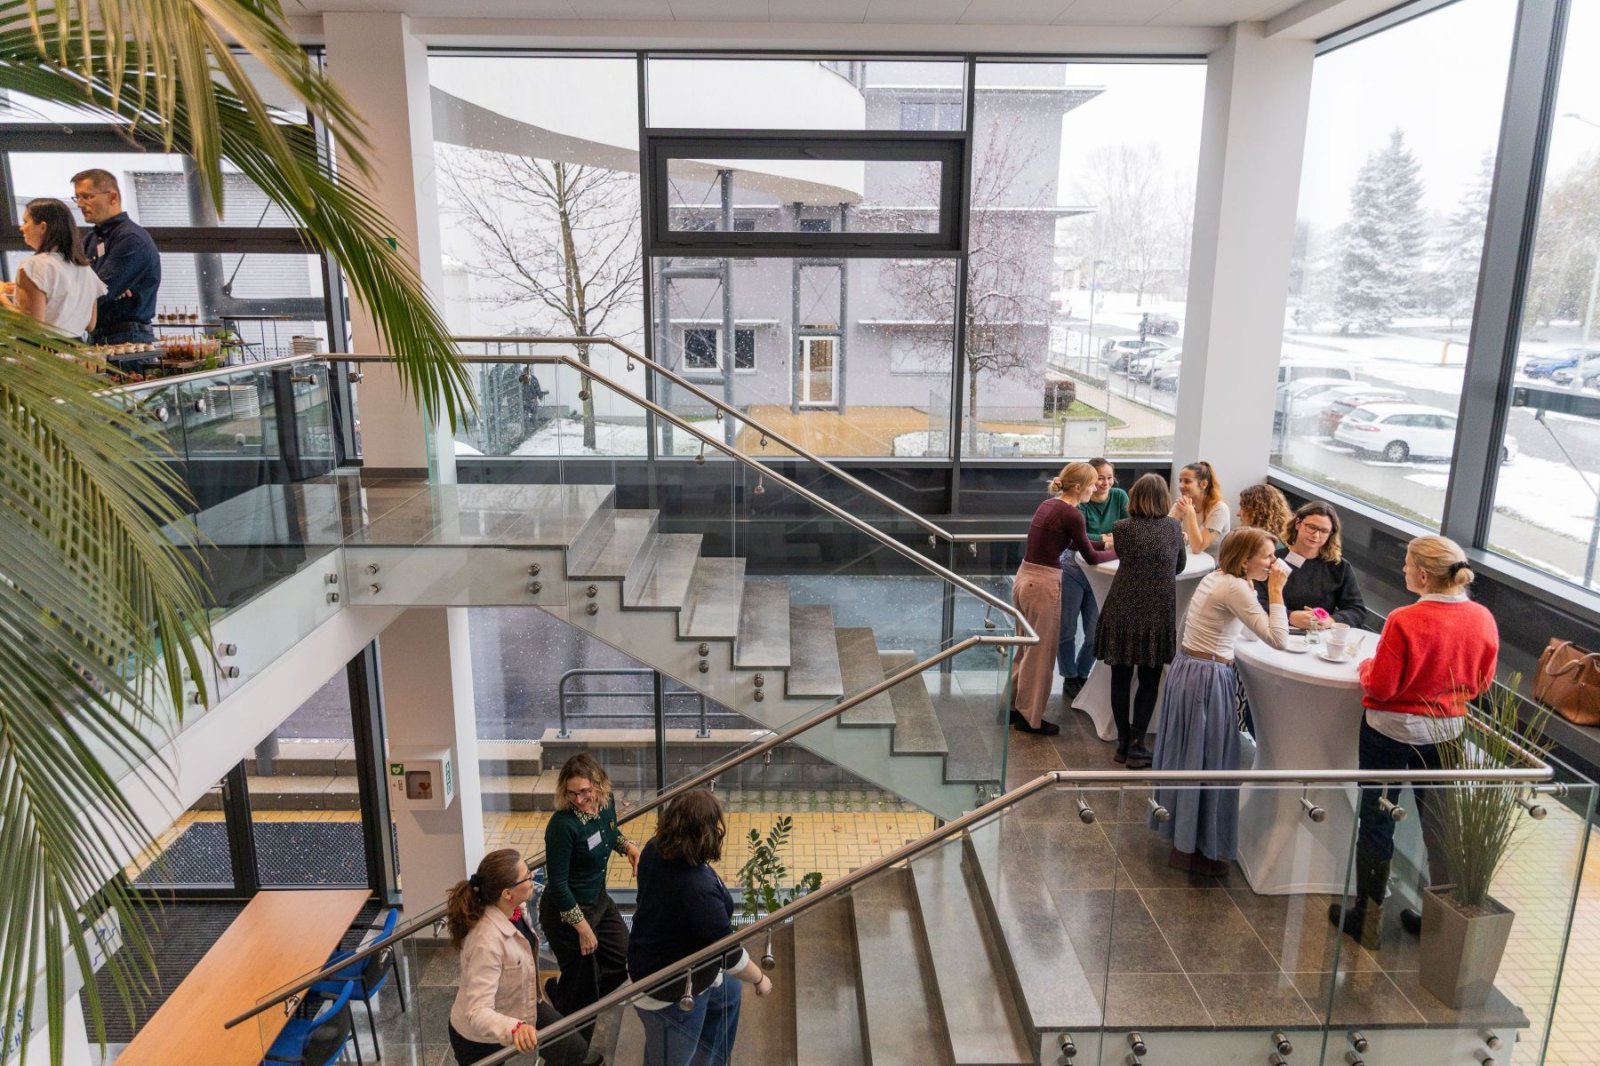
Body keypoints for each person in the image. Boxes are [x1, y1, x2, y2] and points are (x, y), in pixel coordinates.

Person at [1329, 535, 1497, 949]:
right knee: (1441, 826)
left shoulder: (1404, 619)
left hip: (1391, 732)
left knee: (1378, 818)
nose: (1403, 569)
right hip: (1447, 733)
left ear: (1422, 575)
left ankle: (1367, 919)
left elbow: (1382, 687)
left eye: (1406, 563)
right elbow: (1481, 684)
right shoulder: (1482, 618)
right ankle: (1442, 921)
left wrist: (1366, 668)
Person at [1151, 527, 1288, 875]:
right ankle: (1191, 848)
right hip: (1207, 677)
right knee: (1207, 759)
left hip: (1190, 670)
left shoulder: (1219, 577)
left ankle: (1183, 837)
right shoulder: (1235, 587)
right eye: (1267, 556)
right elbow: (1278, 639)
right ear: (1245, 560)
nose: (1274, 563)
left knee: (1187, 755)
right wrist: (1276, 593)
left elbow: (1243, 628)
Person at [628, 790, 773, 1066]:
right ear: (704, 833)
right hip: (672, 991)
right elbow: (728, 953)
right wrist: (759, 979)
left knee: (728, 995)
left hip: (675, 965)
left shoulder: (655, 849)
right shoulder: (696, 889)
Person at [445, 848, 595, 1066]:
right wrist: (515, 1029)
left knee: (573, 1050)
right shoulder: (485, 942)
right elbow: (477, 1012)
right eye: (526, 876)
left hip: (523, 1005)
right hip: (478, 1040)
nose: (532, 877)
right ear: (507, 893)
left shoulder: (515, 910)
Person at [1010, 462, 1117, 736]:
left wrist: (1106, 544)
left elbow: (1073, 543)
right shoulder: (1072, 513)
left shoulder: (1049, 505)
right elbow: (1091, 558)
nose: (1096, 488)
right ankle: (1030, 718)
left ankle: (1013, 708)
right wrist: (1122, 551)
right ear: (1078, 487)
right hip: (1042, 585)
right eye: (1092, 484)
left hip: (1024, 578)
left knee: (1024, 648)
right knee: (1041, 655)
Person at [540, 753, 639, 1043]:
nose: (579, 800)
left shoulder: (605, 804)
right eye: (571, 793)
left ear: (598, 785)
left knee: (624, 960)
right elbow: (557, 885)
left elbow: (609, 833)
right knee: (583, 990)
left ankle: (563, 996)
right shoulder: (562, 826)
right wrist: (582, 928)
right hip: (567, 914)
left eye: (584, 792)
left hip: (598, 901)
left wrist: (628, 846)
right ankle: (574, 1051)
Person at [1093, 473, 1185, 768]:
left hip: (1122, 608)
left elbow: (1123, 557)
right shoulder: (1174, 527)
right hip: (1157, 612)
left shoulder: (1122, 528)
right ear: (1164, 499)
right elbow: (1179, 566)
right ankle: (1138, 744)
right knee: (1149, 680)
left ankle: (1122, 743)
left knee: (1120, 678)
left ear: (1135, 497)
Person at [1059, 458, 1128, 702]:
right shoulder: (1082, 501)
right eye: (1100, 478)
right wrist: (1107, 538)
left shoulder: (1119, 496)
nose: (1105, 483)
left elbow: (1127, 528)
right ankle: (1069, 675)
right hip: (1074, 569)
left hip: (1102, 572)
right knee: (1067, 627)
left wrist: (1102, 538)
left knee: (1094, 632)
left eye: (1109, 477)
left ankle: (1082, 672)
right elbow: (1079, 538)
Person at [71, 169, 161, 345]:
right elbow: (75, 283)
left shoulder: (131, 238)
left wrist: (95, 287)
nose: (80, 204)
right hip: (98, 335)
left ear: (112, 197)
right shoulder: (91, 239)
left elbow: (98, 291)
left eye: (87, 196)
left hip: (127, 339)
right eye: (77, 198)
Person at [1256, 500, 1366, 631]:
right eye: (1312, 527)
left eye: (1324, 531)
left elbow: (1357, 610)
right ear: (1298, 523)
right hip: (1274, 631)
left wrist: (1330, 620)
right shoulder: (1272, 559)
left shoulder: (1339, 567)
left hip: (1320, 635)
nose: (1316, 535)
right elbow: (1253, 601)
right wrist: (1289, 616)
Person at [2, 198, 105, 337]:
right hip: (79, 348)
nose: (21, 228)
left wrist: (2, 298)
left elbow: (31, 327)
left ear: (42, 227)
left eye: (26, 222)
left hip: (44, 349)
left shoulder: (34, 266)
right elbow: (90, 324)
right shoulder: (85, 269)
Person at [1171, 460, 1230, 559]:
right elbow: (1163, 537)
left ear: (1203, 484)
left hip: (1212, 566)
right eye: (1180, 481)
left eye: (1187, 481)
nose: (1180, 486)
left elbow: (1197, 548)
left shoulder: (1220, 509)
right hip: (1187, 561)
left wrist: (1190, 512)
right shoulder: (1182, 504)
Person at [1237, 483, 1293, 549]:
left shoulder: (1263, 545)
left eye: (1243, 508)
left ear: (1258, 513)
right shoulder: (1281, 541)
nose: (1238, 513)